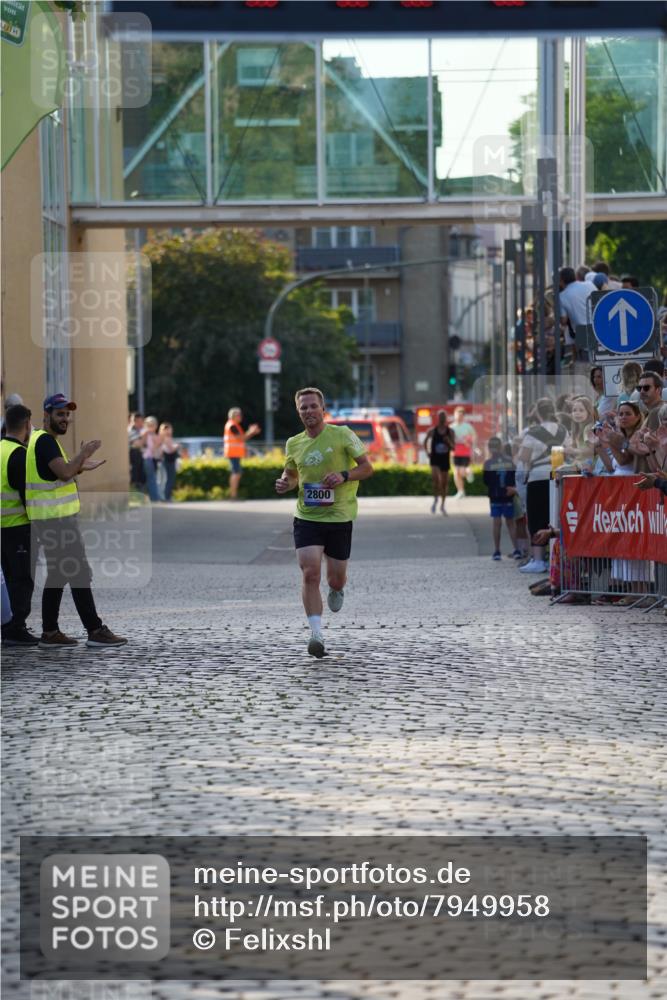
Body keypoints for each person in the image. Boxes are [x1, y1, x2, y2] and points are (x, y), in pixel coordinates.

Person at [275, 387, 373, 658]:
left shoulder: (342, 434)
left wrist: (344, 475)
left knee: (336, 578)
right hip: (307, 516)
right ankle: (316, 633)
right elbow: (292, 474)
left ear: (323, 408)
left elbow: (367, 467)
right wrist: (286, 482)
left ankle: (336, 588)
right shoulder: (293, 443)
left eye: (312, 406)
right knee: (310, 573)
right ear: (299, 412)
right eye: (303, 407)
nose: (308, 411)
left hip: (339, 516)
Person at [25, 393, 127, 647]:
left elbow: (58, 474)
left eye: (67, 414)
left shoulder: (42, 440)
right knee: (79, 573)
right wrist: (82, 455)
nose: (65, 419)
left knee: (59, 574)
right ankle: (94, 630)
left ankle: (50, 632)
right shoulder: (46, 441)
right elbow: (64, 472)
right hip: (56, 522)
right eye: (60, 414)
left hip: (51, 521)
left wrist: (80, 465)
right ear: (46, 415)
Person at [517, 398, 569, 574]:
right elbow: (568, 452)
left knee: (537, 515)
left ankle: (538, 559)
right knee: (555, 515)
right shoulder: (563, 430)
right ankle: (556, 558)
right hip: (557, 475)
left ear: (538, 413)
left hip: (537, 476)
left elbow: (524, 457)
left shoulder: (533, 432)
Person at [1, 404, 38, 646]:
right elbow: (28, 495)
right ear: (26, 425)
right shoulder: (19, 455)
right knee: (21, 578)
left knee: (5, 578)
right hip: (17, 527)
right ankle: (15, 627)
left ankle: (8, 624)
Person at [482, 437, 519, 561]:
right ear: (500, 447)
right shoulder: (509, 461)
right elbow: (515, 476)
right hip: (508, 495)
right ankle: (516, 549)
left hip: (495, 496)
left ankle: (497, 551)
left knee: (496, 523)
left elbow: (485, 481)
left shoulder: (488, 463)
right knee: (511, 523)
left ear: (489, 448)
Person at [224, 407, 261, 500]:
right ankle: (233, 495)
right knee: (236, 473)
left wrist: (251, 432)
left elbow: (242, 438)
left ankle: (233, 495)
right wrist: (251, 432)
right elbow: (241, 438)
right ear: (233, 416)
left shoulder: (234, 425)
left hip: (234, 453)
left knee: (237, 473)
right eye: (238, 415)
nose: (241, 416)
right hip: (233, 453)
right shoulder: (232, 425)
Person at [423, 410, 455, 515]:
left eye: (443, 417)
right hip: (435, 458)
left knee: (444, 483)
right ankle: (435, 499)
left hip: (445, 459)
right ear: (438, 418)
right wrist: (427, 452)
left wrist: (448, 441)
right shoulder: (433, 431)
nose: (442, 419)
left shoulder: (450, 432)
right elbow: (425, 441)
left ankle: (442, 504)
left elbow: (454, 447)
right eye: (440, 416)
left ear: (446, 419)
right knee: (436, 480)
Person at [451, 406, 477, 499]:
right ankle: (461, 491)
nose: (459, 417)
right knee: (456, 473)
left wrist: (468, 440)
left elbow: (474, 437)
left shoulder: (467, 426)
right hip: (455, 453)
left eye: (461, 415)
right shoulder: (451, 427)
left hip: (465, 452)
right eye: (457, 414)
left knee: (462, 471)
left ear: (463, 416)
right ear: (454, 415)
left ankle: (468, 472)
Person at [141, 416, 162, 502]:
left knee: (151, 478)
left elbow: (156, 447)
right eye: (149, 424)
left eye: (152, 425)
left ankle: (152, 497)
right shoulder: (144, 433)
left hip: (152, 458)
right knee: (151, 478)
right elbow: (143, 443)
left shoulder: (154, 436)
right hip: (146, 458)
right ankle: (155, 498)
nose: (151, 427)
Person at [158, 422, 180, 501]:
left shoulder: (164, 438)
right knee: (169, 479)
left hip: (168, 460)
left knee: (166, 479)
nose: (168, 431)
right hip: (168, 460)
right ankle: (167, 496)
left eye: (169, 429)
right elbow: (171, 450)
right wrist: (176, 446)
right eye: (166, 429)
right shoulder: (166, 438)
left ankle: (166, 496)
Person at [128, 412, 145, 490]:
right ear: (135, 421)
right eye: (140, 421)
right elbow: (138, 444)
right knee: (135, 478)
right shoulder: (131, 430)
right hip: (134, 456)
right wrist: (145, 436)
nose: (142, 424)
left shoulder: (139, 431)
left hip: (138, 457)